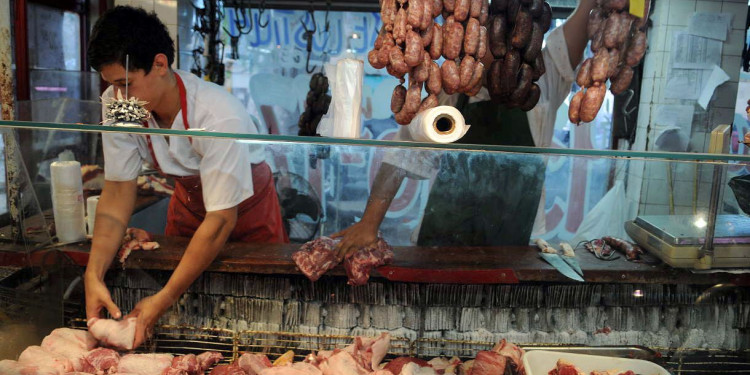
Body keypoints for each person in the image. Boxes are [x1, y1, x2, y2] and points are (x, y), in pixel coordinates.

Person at [84, 6, 288, 348]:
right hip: (191, 209)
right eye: (112, 85)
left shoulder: (217, 115)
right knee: (186, 326)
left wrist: (162, 299)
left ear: (160, 65)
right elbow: (119, 190)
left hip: (247, 216)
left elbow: (222, 219)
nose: (119, 97)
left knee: (257, 322)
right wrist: (93, 273)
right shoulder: (124, 104)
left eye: (125, 84)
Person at [334, 0, 597, 255]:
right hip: (443, 236)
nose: (501, 56)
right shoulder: (449, 91)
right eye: (491, 44)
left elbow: (574, 33)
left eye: (509, 47)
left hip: (512, 241)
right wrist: (370, 223)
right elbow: (402, 154)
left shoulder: (542, 83)